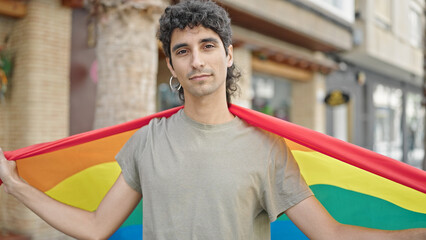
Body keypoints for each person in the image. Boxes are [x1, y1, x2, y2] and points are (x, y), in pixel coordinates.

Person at [0, 1, 425, 239]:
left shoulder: (266, 147)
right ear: (171, 63)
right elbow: (95, 227)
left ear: (229, 54)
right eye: (182, 50)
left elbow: (328, 235)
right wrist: (16, 185)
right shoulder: (149, 140)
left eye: (208, 45)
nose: (197, 60)